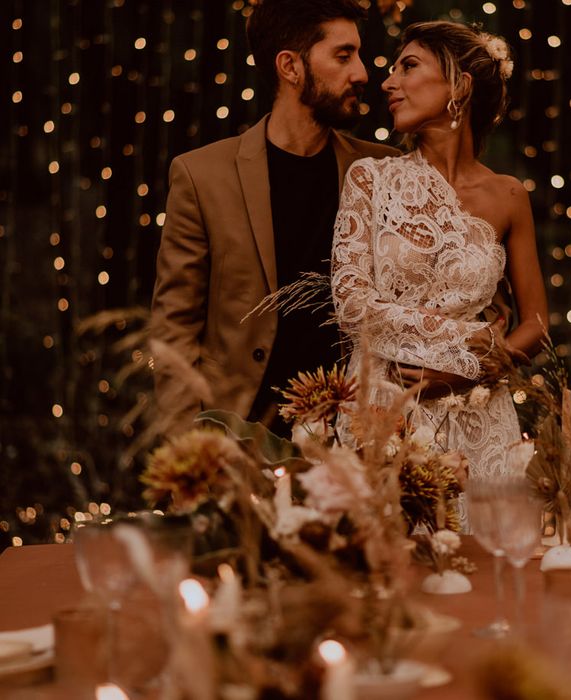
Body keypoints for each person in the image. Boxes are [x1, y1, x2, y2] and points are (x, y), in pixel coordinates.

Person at [331, 21, 548, 526]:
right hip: (385, 411)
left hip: (481, 418)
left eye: (408, 66)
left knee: (490, 574)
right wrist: (474, 344)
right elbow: (350, 301)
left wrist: (465, 372)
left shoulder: (509, 196)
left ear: (459, 86)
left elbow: (536, 322)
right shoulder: (370, 179)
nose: (387, 83)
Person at [151, 0, 398, 436]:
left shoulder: (385, 170)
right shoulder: (200, 175)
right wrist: (190, 453)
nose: (362, 73)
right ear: (290, 66)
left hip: (357, 443)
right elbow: (174, 330)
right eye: (343, 56)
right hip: (239, 437)